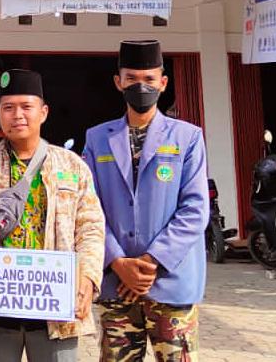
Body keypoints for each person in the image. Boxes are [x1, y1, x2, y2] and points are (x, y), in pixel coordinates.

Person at [0, 69, 105, 362]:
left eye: (26, 107)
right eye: (8, 108)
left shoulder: (71, 166)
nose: (17, 115)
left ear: (43, 112)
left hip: (58, 312)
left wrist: (87, 278)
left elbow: (91, 228)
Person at [82, 40, 208, 362]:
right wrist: (118, 262)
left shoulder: (187, 137)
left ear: (163, 83)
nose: (141, 86)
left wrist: (151, 262)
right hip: (116, 284)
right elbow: (88, 208)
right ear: (118, 82)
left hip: (170, 281)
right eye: (132, 78)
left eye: (149, 79)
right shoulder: (97, 138)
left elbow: (195, 209)